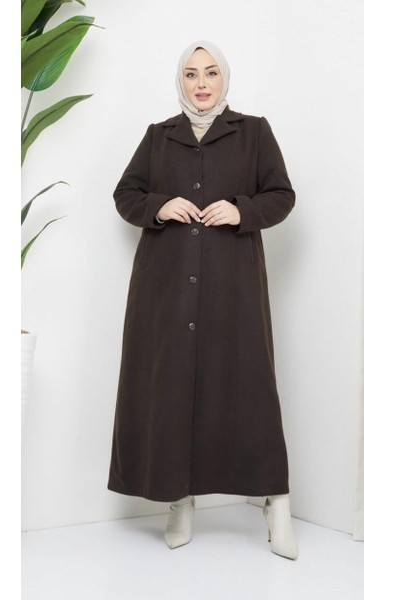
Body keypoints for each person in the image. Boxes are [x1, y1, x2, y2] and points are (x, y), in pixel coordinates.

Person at [107, 40, 298, 560]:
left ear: (224, 78)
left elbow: (281, 195)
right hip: (165, 288)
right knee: (171, 393)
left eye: (211, 72)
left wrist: (241, 211)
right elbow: (125, 194)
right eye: (191, 74)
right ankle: (180, 501)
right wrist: (158, 205)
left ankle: (276, 504)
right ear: (181, 81)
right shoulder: (159, 135)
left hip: (232, 286)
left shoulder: (253, 131)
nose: (201, 83)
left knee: (249, 390)